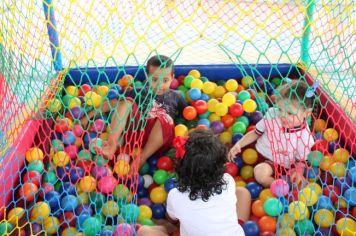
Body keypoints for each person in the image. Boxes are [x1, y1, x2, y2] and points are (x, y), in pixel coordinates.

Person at [81, 55, 187, 169]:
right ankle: (111, 145)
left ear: (172, 78)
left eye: (165, 80)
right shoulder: (138, 91)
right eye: (155, 80)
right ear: (147, 77)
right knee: (126, 101)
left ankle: (141, 158)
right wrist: (88, 116)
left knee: (165, 119)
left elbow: (186, 116)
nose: (159, 85)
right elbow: (114, 104)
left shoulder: (177, 97)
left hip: (158, 142)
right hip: (135, 135)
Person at [138, 129, 250, 236]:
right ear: (220, 164)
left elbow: (171, 218)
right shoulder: (228, 180)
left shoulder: (176, 195)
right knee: (242, 192)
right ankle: (236, 226)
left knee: (144, 232)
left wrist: (170, 224)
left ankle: (168, 229)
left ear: (181, 169)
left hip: (178, 221)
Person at [228, 80, 316, 188]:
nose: (282, 115)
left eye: (289, 113)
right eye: (280, 109)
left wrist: (298, 172)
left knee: (260, 174)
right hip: (255, 151)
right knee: (227, 152)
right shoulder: (272, 115)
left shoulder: (304, 136)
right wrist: (239, 144)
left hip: (276, 164)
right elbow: (256, 133)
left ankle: (282, 188)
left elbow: (302, 160)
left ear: (306, 114)